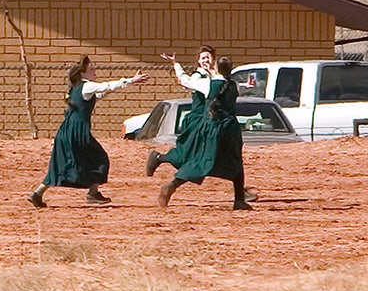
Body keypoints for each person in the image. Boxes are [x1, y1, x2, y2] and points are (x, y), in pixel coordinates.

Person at [29, 55, 147, 208]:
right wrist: (130, 80)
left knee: (61, 163)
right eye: (91, 69)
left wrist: (124, 85)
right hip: (77, 131)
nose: (95, 71)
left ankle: (37, 193)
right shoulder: (87, 86)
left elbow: (99, 94)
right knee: (100, 157)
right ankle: (93, 192)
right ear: (83, 74)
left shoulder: (76, 89)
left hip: (65, 131)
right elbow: (106, 86)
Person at [146, 48, 259, 202]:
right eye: (203, 57)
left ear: (215, 64)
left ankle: (239, 199)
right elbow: (188, 81)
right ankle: (171, 183)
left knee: (206, 161)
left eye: (209, 57)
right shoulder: (229, 84)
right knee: (228, 161)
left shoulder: (209, 83)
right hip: (226, 128)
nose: (207, 61)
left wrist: (176, 65)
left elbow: (189, 81)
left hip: (213, 127)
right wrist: (176, 64)